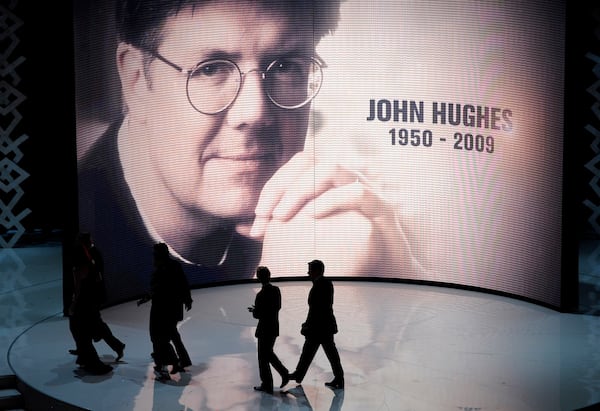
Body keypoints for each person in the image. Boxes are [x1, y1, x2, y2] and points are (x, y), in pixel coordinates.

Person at [76, 0, 422, 305]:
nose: (255, 113)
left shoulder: (341, 223)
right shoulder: (80, 253)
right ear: (136, 80)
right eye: (211, 69)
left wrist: (403, 287)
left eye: (286, 66)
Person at [138, 242, 193, 381]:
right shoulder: (174, 265)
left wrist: (148, 297)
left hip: (162, 309)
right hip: (173, 308)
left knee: (159, 337)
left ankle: (166, 363)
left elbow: (159, 289)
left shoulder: (161, 269)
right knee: (172, 334)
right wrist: (187, 299)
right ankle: (181, 360)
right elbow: (183, 283)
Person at [68, 232, 120, 375]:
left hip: (86, 300)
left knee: (85, 330)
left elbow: (79, 285)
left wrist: (73, 304)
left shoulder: (84, 261)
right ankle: (86, 358)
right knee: (87, 328)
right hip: (90, 299)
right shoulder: (89, 257)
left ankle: (93, 359)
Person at [287, 259, 344, 389]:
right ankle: (338, 378)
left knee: (312, 353)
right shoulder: (325, 283)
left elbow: (316, 309)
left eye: (310, 270)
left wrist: (307, 325)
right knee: (328, 354)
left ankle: (299, 375)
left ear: (317, 271)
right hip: (324, 327)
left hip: (319, 328)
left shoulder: (320, 285)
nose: (308, 273)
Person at [248, 266, 289, 393]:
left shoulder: (260, 295)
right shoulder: (276, 290)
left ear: (259, 278)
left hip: (264, 329)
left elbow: (258, 315)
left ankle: (268, 383)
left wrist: (255, 310)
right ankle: (283, 373)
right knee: (268, 354)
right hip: (274, 327)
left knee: (263, 357)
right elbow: (278, 307)